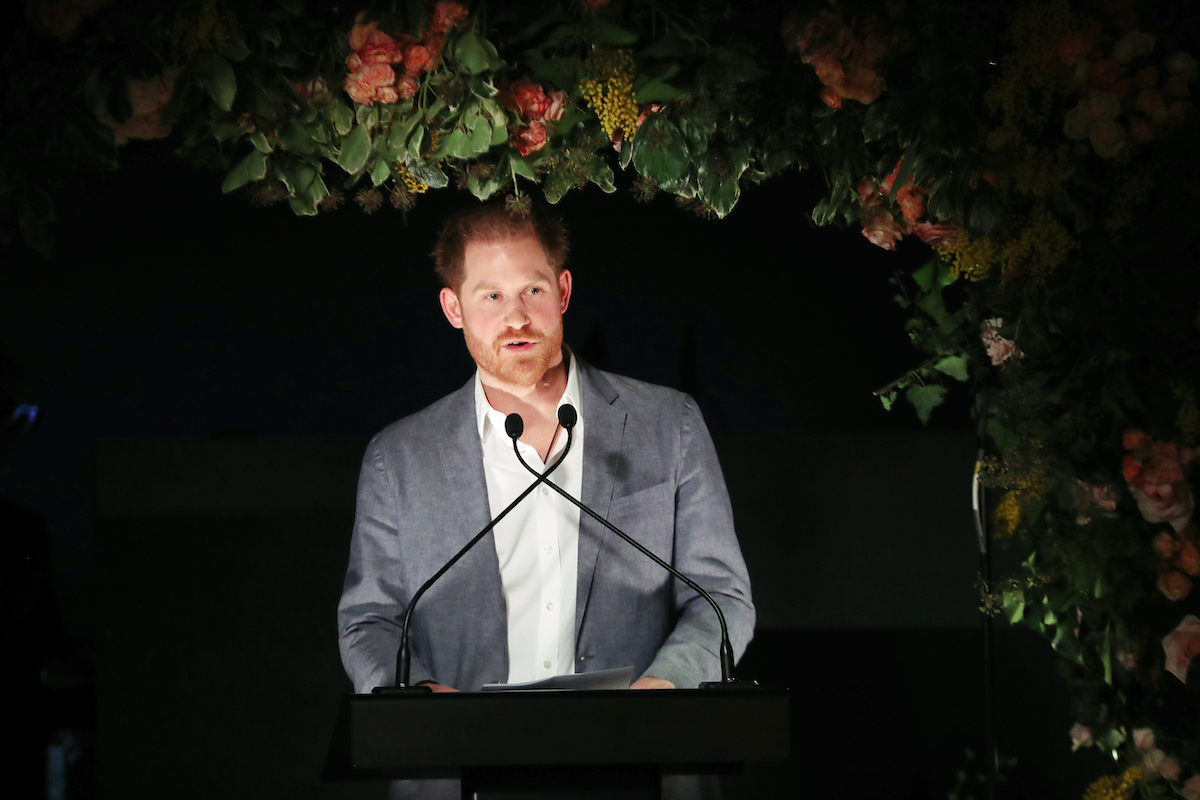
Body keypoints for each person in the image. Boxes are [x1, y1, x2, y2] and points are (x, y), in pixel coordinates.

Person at [336, 200, 755, 798]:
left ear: (562, 291)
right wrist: (423, 702)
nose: (517, 318)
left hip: (640, 763)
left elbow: (722, 597)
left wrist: (663, 691)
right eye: (491, 296)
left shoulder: (671, 425)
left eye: (531, 289)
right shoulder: (397, 458)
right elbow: (368, 619)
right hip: (463, 771)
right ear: (453, 308)